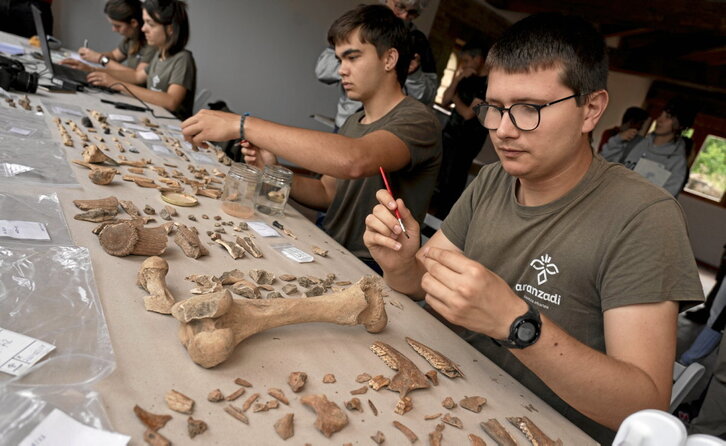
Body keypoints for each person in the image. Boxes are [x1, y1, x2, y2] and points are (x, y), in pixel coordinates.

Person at [362, 12, 704, 443]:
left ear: (590, 110)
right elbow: (423, 282)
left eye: (529, 109)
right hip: (443, 401)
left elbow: (643, 407)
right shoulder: (492, 179)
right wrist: (400, 262)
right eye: (495, 109)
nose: (503, 131)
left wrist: (514, 322)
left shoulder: (644, 217)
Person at [181, 4, 441, 272]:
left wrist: (242, 124)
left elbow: (354, 159)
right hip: (329, 247)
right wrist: (274, 170)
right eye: (340, 60)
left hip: (372, 266)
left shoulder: (419, 120)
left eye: (353, 57)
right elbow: (327, 193)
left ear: (389, 59)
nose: (342, 70)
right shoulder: (355, 121)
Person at [315, 0, 437, 130]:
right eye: (400, 7)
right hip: (346, 123)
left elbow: (428, 96)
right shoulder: (358, 25)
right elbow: (323, 70)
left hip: (387, 129)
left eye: (413, 13)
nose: (404, 16)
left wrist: (414, 74)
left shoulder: (419, 42)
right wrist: (357, 62)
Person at [84, 0, 196, 119]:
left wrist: (118, 84)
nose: (143, 29)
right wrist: (91, 70)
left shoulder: (183, 59)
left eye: (150, 24)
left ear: (170, 29)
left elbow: (171, 101)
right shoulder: (160, 55)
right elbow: (137, 76)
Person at [431, 41, 489, 218]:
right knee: (439, 177)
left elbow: (468, 114)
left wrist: (455, 97)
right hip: (450, 134)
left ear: (478, 59)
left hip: (467, 141)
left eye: (465, 60)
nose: (463, 64)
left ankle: (443, 221)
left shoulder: (487, 85)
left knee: (453, 181)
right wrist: (457, 78)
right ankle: (431, 217)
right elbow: (444, 100)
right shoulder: (466, 78)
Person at [601, 98, 697, 196]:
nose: (659, 120)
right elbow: (604, 164)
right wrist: (617, 141)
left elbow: (666, 199)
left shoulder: (677, 162)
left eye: (667, 117)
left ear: (680, 125)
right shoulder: (635, 142)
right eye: (660, 115)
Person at [60, 0, 155, 80]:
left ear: (133, 23)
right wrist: (89, 56)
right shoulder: (132, 38)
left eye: (117, 26)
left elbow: (136, 75)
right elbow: (115, 55)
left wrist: (100, 59)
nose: (114, 29)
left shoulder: (151, 43)